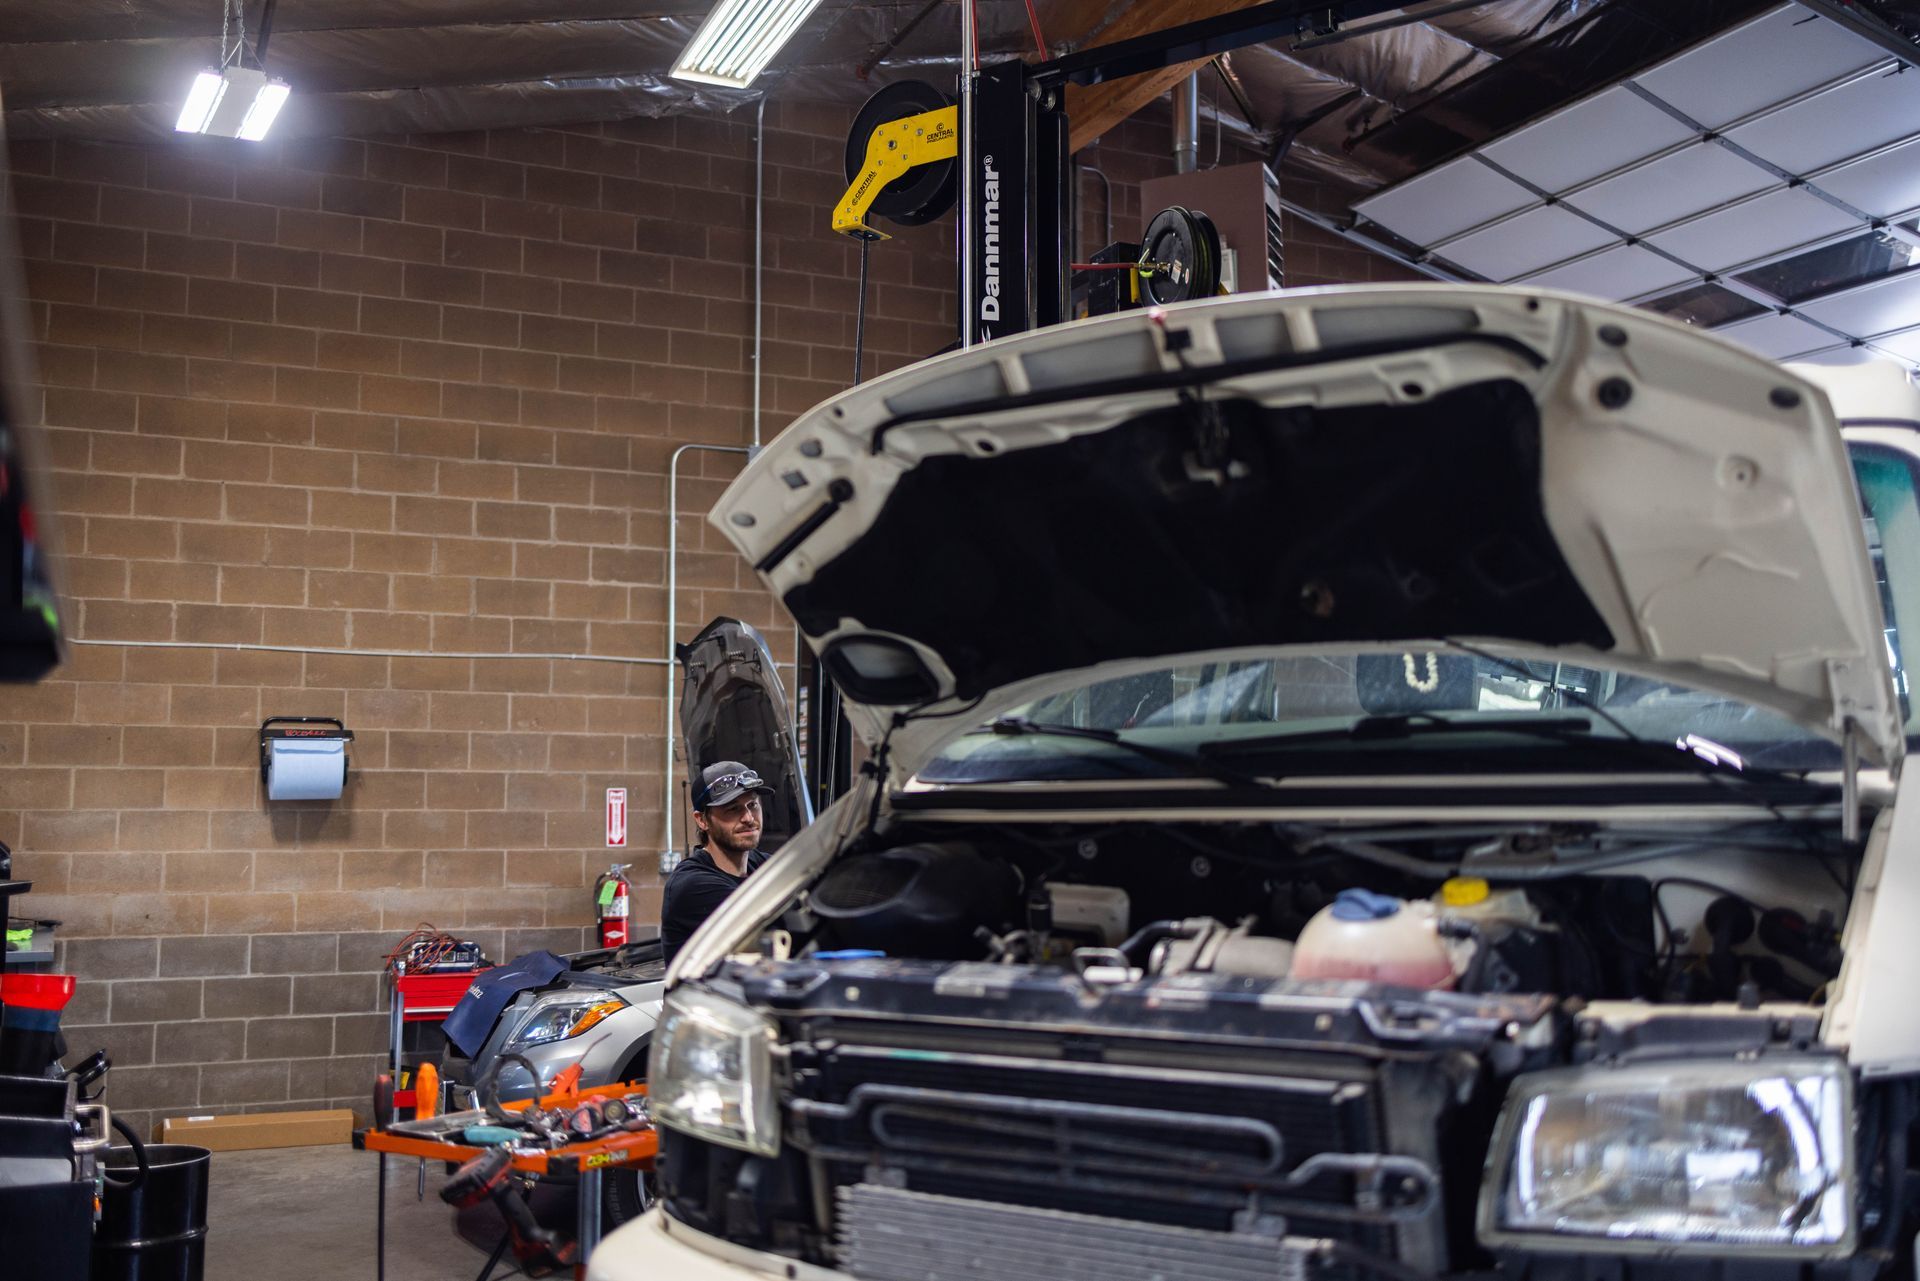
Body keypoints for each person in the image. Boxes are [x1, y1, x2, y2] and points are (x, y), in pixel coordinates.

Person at [660, 761, 775, 966]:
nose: (748, 818)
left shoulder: (762, 865)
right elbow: (773, 931)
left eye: (753, 805)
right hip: (704, 998)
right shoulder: (692, 885)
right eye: (732, 809)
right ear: (702, 820)